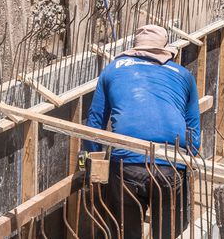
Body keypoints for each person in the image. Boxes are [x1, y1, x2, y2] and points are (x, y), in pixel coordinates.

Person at [83, 25, 199, 239]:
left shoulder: (112, 69)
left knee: (126, 234)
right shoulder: (184, 75)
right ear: (165, 49)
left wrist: (92, 160)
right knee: (167, 234)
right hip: (170, 166)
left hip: (127, 167)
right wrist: (186, 162)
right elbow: (193, 131)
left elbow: (95, 122)